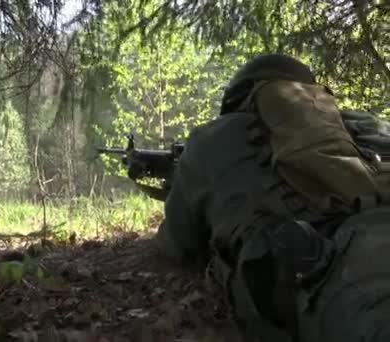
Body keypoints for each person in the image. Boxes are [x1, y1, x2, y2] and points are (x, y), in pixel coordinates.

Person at [155, 54, 390, 342]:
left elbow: (177, 243)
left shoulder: (213, 136)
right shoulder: (366, 123)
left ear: (237, 98)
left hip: (334, 277)